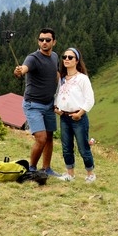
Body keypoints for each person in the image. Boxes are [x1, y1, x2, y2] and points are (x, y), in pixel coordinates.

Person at [13, 27, 61, 177]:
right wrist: (19, 71)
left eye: (47, 40)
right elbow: (24, 69)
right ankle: (32, 169)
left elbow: (56, 74)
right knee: (41, 138)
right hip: (33, 105)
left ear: (54, 42)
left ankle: (46, 169)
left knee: (49, 137)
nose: (44, 42)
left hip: (49, 104)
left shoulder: (54, 57)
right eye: (41, 40)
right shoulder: (32, 58)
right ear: (38, 41)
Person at [54, 48, 96, 183]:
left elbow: (90, 99)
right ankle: (70, 174)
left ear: (77, 61)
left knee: (83, 146)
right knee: (66, 147)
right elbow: (57, 95)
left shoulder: (82, 78)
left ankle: (90, 174)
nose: (66, 59)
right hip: (64, 117)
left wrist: (80, 113)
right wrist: (56, 108)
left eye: (70, 57)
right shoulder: (61, 78)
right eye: (64, 57)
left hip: (78, 117)